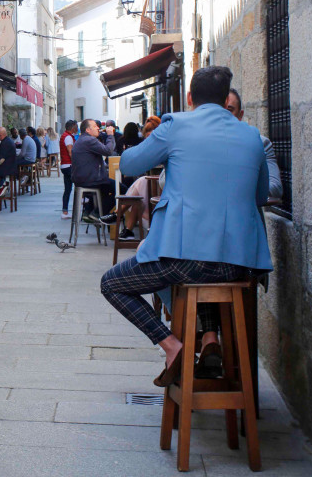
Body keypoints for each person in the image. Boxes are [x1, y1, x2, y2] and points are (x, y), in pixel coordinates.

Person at [100, 66, 272, 387]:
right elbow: (260, 195)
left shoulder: (176, 126)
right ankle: (209, 340)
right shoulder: (251, 135)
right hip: (240, 265)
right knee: (196, 276)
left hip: (186, 259)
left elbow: (129, 164)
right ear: (225, 100)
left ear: (190, 98)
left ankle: (173, 346)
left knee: (112, 284)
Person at [226, 88, 283, 199]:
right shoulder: (202, 144)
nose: (224, 115)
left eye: (229, 110)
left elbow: (275, 187)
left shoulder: (261, 143)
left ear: (240, 115)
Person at [71, 119, 121, 221]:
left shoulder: (81, 140)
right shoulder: (89, 140)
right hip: (90, 180)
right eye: (95, 126)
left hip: (81, 180)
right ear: (88, 130)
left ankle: (88, 211)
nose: (98, 128)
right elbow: (108, 151)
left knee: (105, 188)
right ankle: (97, 212)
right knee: (122, 190)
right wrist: (110, 135)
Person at [58, 120, 77, 220]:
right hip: (69, 165)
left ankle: (65, 211)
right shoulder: (69, 137)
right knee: (79, 185)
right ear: (73, 128)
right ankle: (83, 201)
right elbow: (71, 152)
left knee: (68, 189)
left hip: (64, 166)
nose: (77, 128)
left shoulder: (64, 136)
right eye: (76, 126)